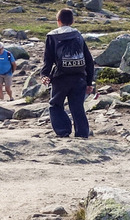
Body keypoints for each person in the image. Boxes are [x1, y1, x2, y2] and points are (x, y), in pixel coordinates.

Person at [39, 8, 94, 137]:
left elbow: (48, 59)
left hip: (60, 78)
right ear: (72, 21)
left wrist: (44, 75)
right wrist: (89, 82)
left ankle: (63, 131)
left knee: (55, 104)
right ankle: (82, 134)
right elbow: (89, 60)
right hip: (79, 77)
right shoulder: (78, 35)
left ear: (58, 21)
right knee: (77, 107)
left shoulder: (52, 36)